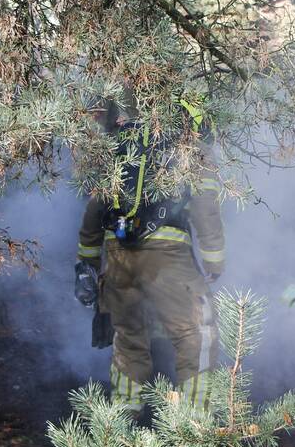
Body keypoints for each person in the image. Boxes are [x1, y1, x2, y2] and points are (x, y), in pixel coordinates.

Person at [74, 106, 225, 413]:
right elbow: (204, 208)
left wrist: (88, 263)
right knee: (196, 333)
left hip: (117, 257)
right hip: (167, 257)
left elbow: (94, 208)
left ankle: (122, 423)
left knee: (129, 341)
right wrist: (214, 263)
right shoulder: (190, 147)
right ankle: (195, 428)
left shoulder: (121, 142)